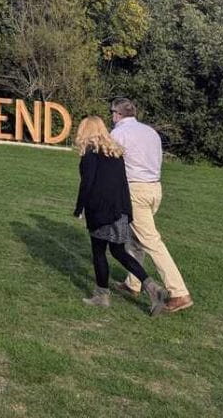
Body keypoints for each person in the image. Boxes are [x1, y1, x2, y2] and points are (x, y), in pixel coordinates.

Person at [74, 116, 167, 315]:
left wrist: (79, 208)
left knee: (99, 252)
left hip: (101, 211)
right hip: (120, 210)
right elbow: (123, 184)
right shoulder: (115, 153)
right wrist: (127, 212)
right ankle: (152, 288)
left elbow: (87, 184)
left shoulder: (90, 154)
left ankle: (102, 296)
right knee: (119, 252)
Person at [110, 97, 193, 314]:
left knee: (150, 240)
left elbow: (110, 162)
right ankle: (133, 282)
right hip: (155, 188)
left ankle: (179, 292)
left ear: (117, 114)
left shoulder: (119, 133)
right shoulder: (150, 132)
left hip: (135, 189)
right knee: (135, 238)